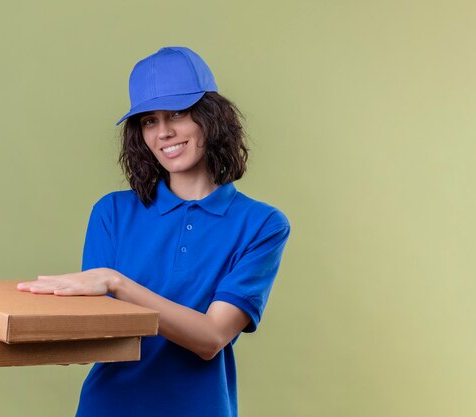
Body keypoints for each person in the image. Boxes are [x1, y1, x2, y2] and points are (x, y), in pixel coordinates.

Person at [17, 46, 290, 417]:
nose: (164, 132)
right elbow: (95, 338)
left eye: (178, 113)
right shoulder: (112, 213)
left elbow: (210, 338)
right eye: (149, 120)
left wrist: (118, 284)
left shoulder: (261, 225)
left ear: (211, 117)